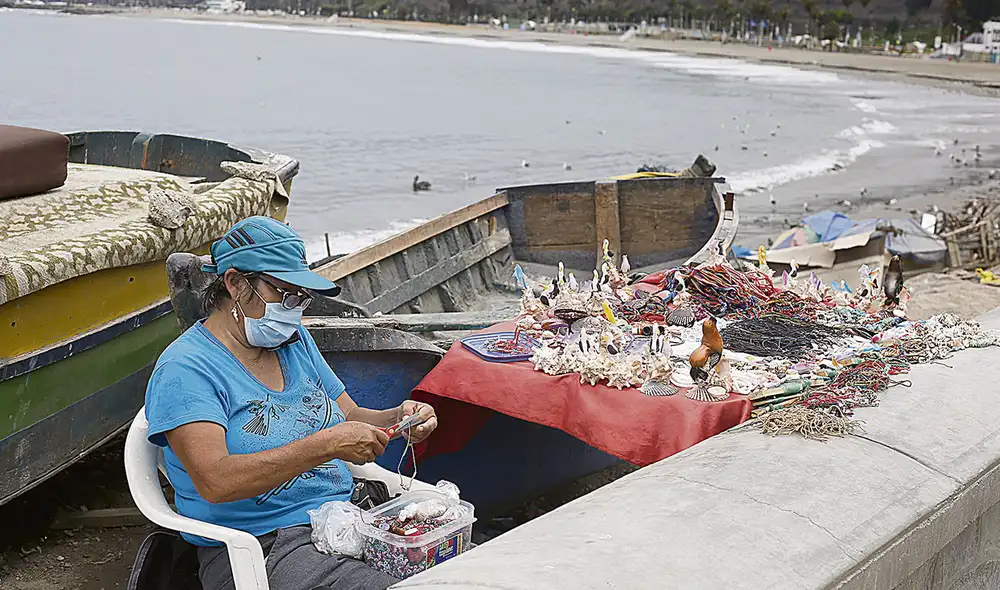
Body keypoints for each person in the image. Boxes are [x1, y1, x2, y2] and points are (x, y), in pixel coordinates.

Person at [145, 216, 438, 590]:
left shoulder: (293, 342)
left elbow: (350, 415)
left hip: (345, 520)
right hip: (261, 546)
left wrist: (400, 417)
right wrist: (326, 445)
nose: (295, 309)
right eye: (286, 294)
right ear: (236, 284)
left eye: (302, 297)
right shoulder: (185, 370)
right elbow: (215, 481)